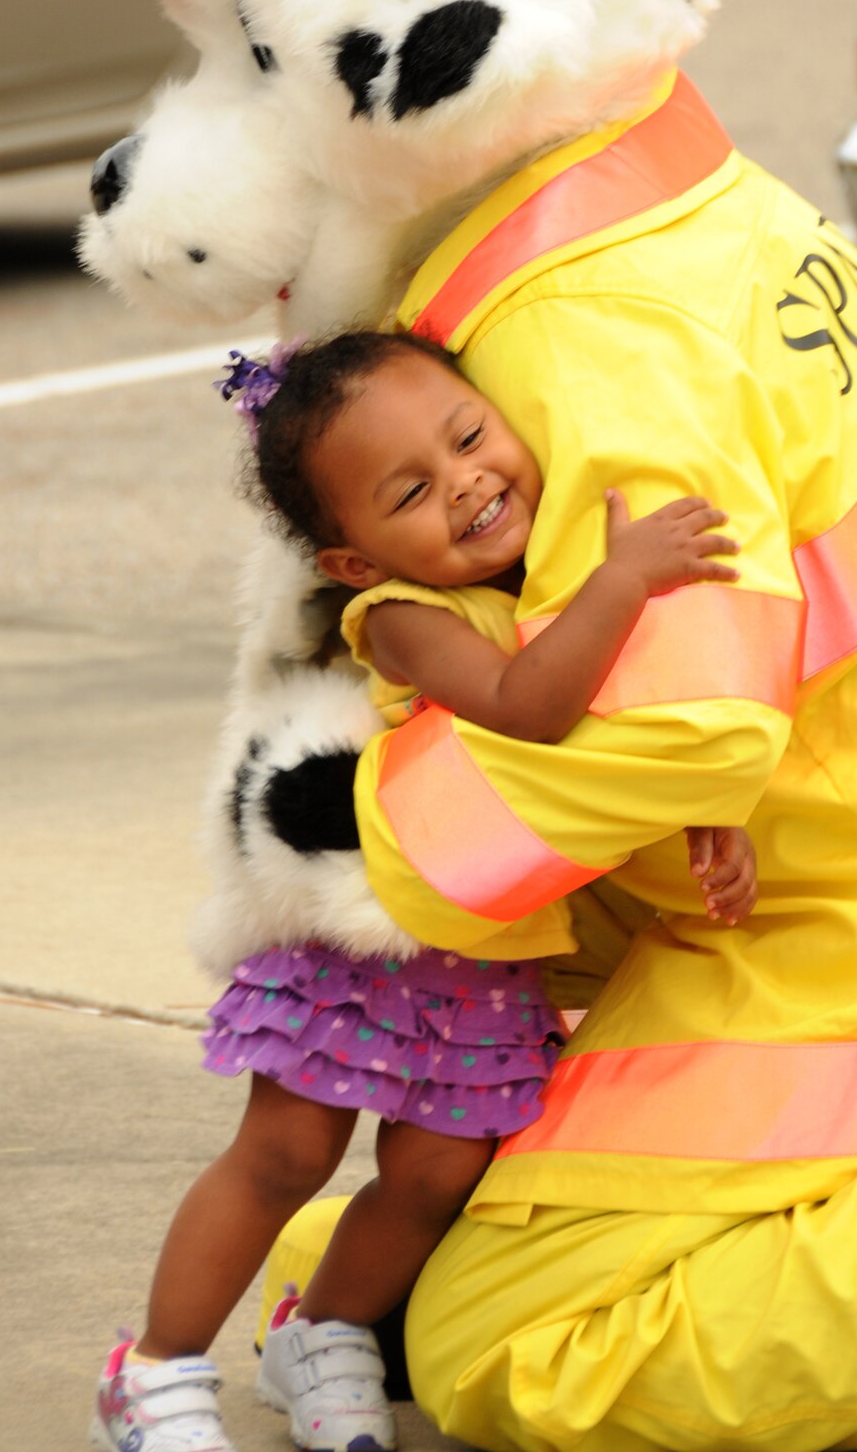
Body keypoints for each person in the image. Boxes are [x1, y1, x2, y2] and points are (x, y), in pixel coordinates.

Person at [93, 328, 757, 1452]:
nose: (467, 482)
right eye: (410, 490)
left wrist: (706, 808)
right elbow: (534, 705)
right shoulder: (404, 616)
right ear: (355, 560)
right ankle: (153, 1367)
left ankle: (328, 1329)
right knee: (287, 1152)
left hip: (487, 948)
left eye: (469, 436)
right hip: (374, 936)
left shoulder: (550, 583)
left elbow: (625, 731)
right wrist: (623, 578)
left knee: (436, 1167)